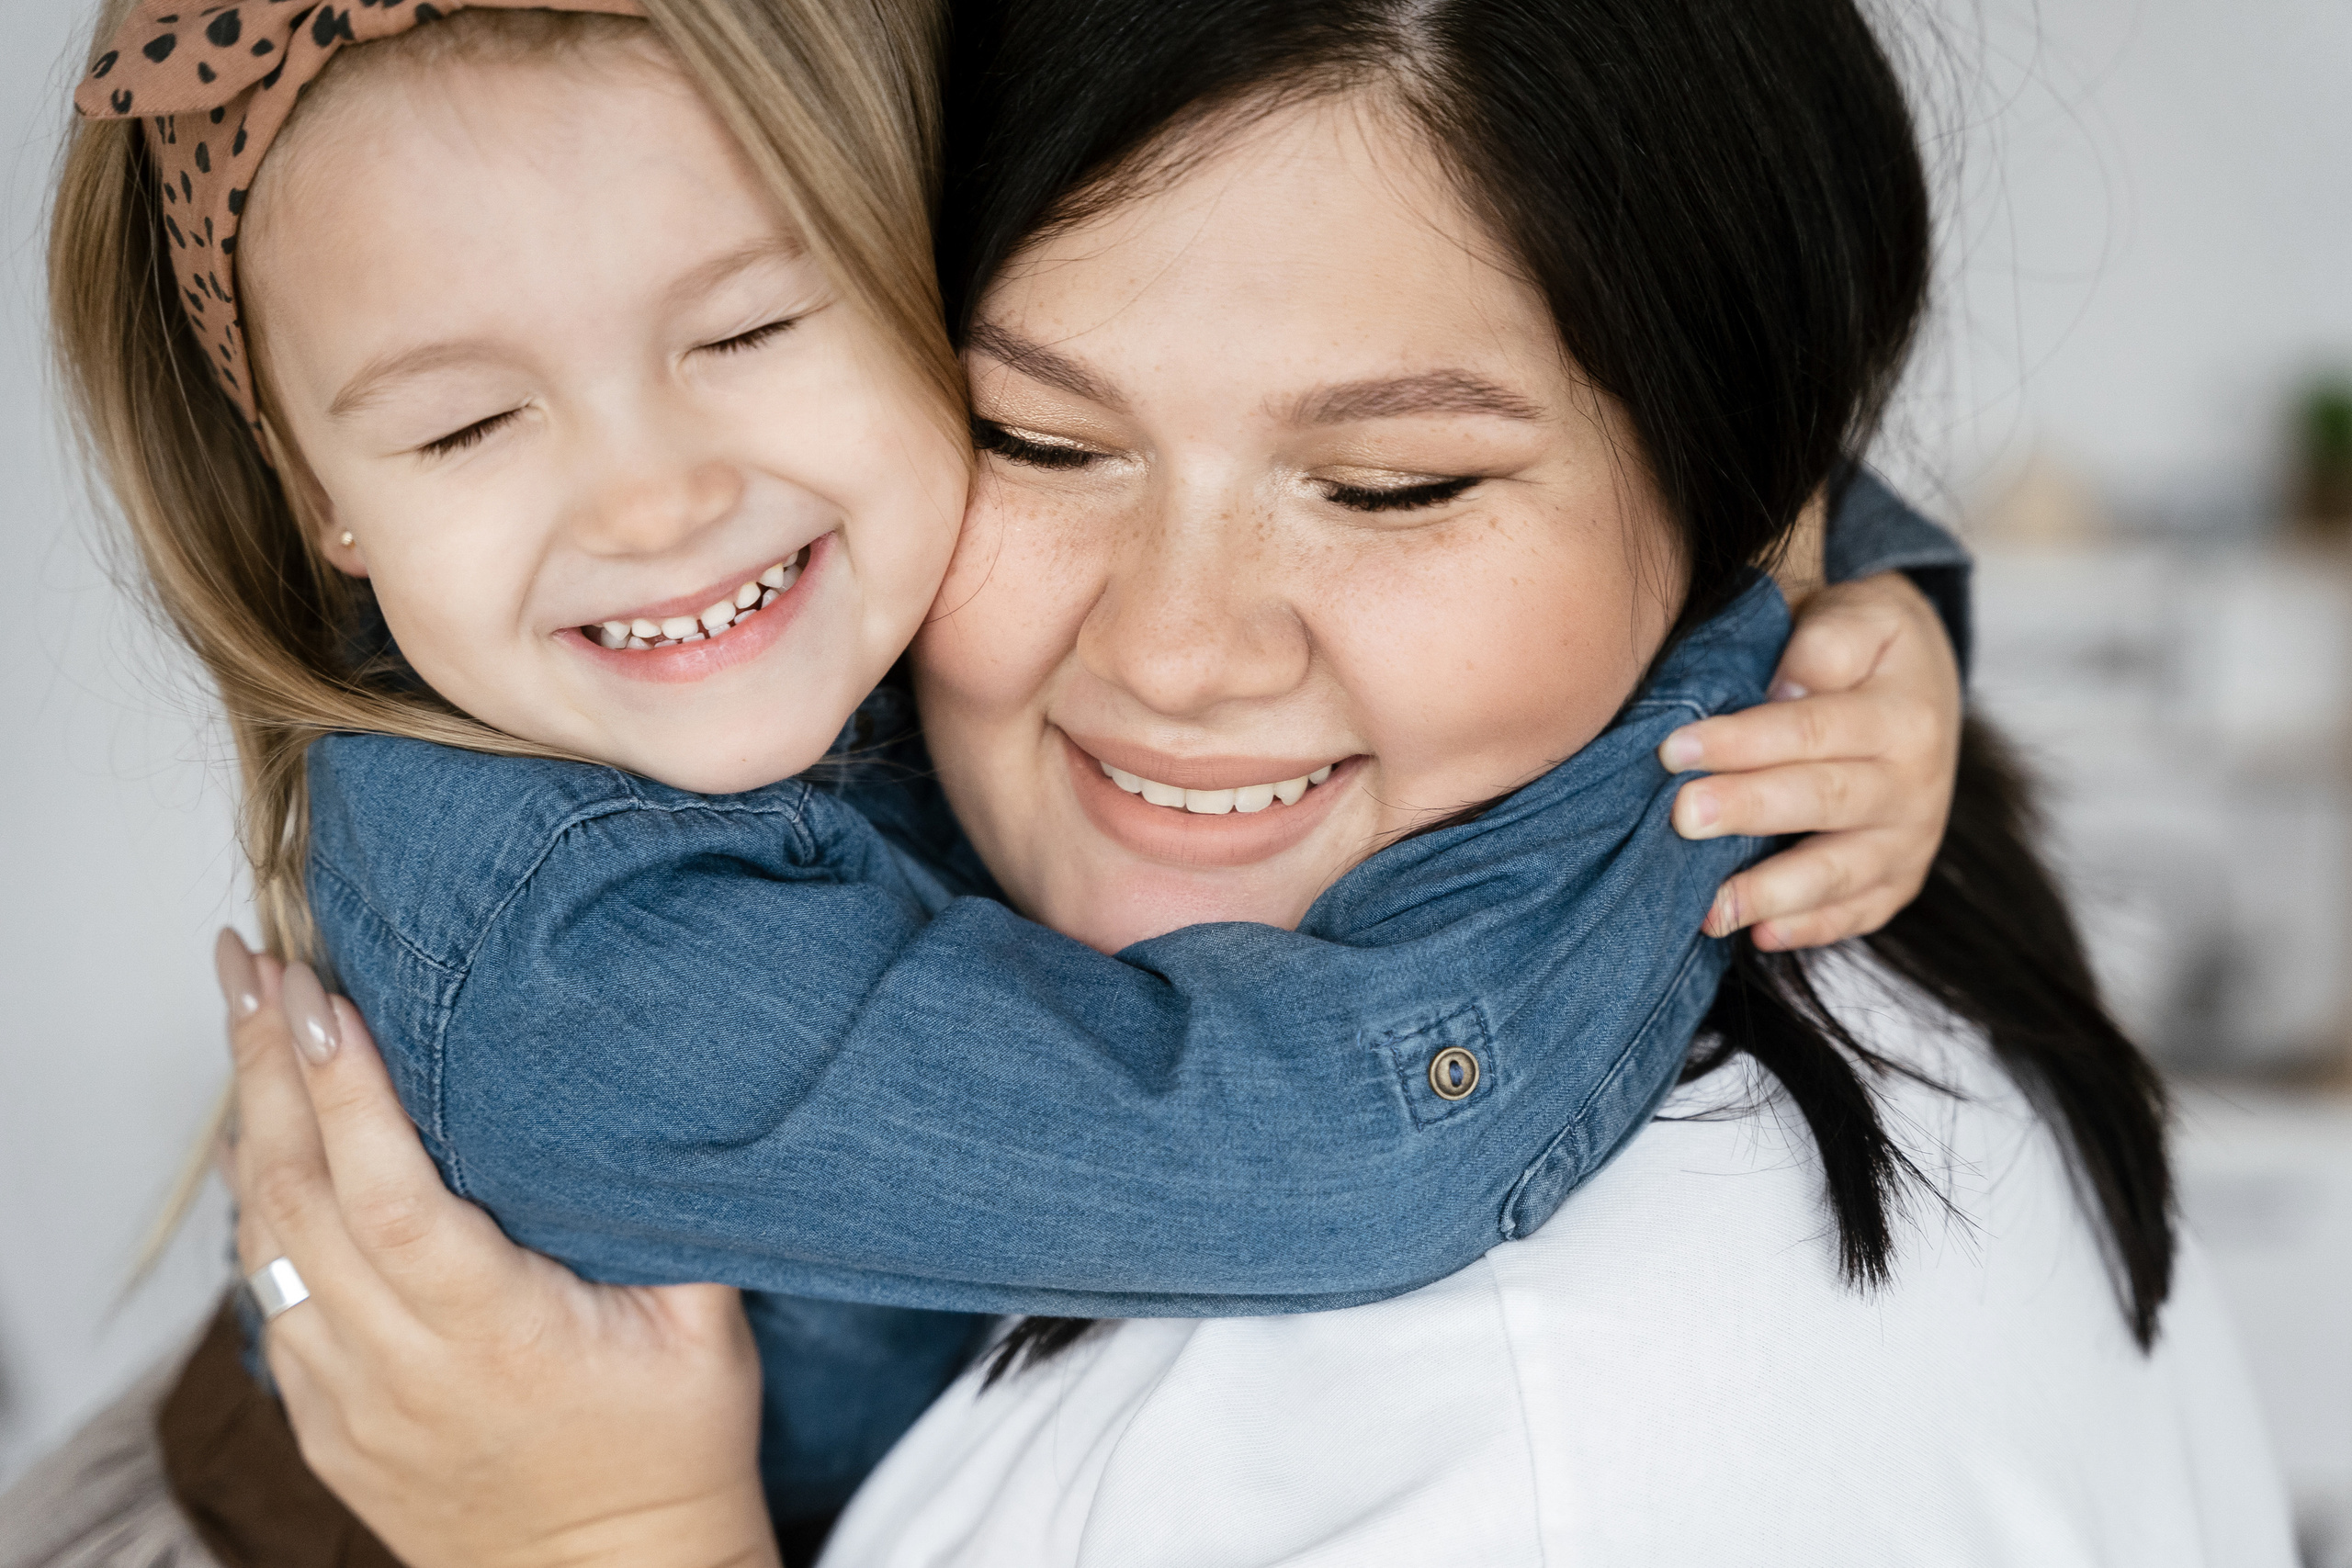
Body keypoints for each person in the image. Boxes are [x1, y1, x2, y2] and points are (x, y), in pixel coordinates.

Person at [183, 0, 2295, 1562]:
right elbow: (1320, 1140)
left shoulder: (1549, 1444)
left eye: (1389, 481)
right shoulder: (596, 915)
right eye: (1036, 436)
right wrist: (1734, 693)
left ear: (1726, 469)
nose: (1181, 647)